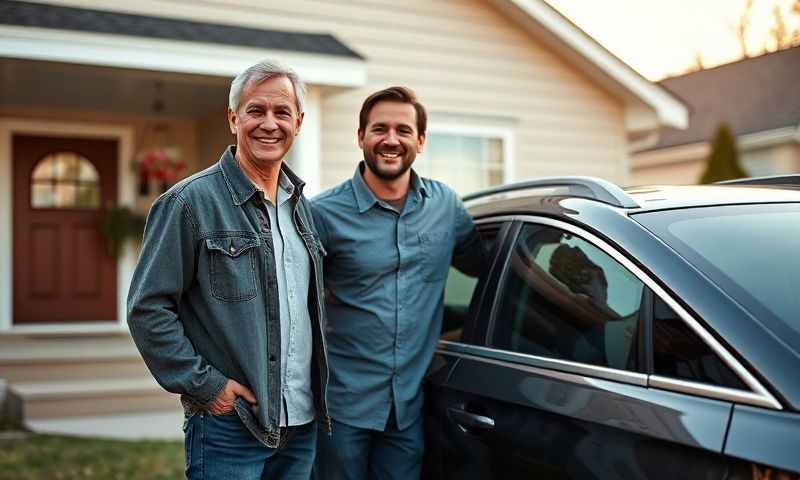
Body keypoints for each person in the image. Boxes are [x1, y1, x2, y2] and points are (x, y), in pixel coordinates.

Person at [127, 59, 329, 480]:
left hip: (301, 423)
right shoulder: (188, 203)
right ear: (233, 118)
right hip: (229, 426)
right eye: (256, 111)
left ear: (299, 122)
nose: (269, 123)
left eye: (282, 112)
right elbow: (148, 308)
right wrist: (207, 386)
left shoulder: (302, 209)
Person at [312, 86, 485, 479]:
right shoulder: (322, 214)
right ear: (361, 138)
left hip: (407, 410)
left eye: (403, 130)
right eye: (380, 129)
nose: (391, 140)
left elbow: (486, 269)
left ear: (420, 141)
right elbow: (292, 301)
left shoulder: (446, 208)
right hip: (341, 409)